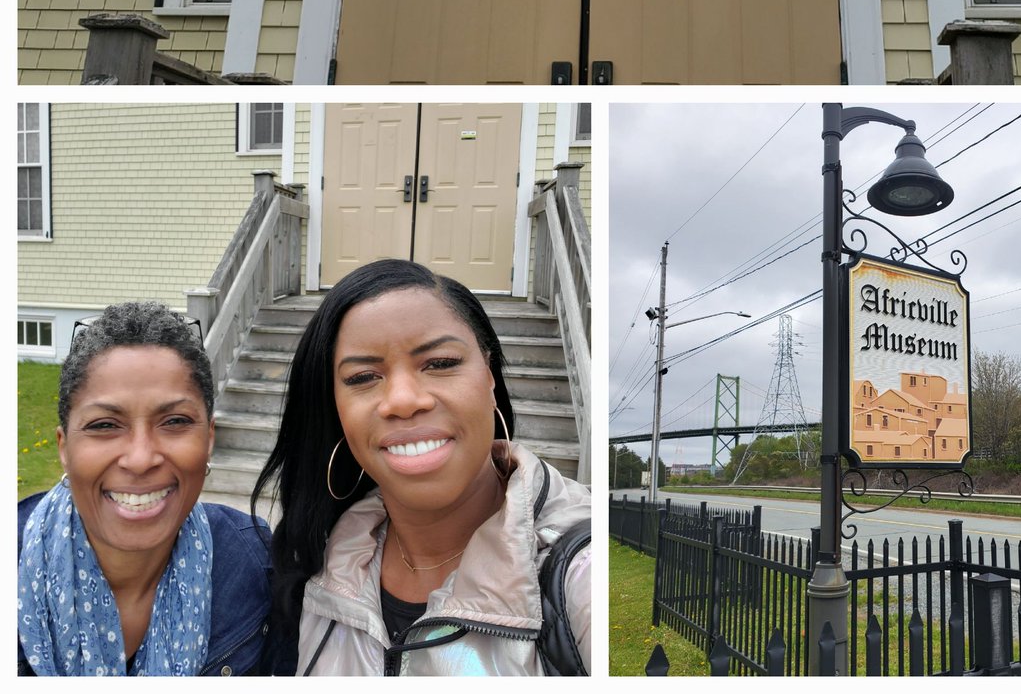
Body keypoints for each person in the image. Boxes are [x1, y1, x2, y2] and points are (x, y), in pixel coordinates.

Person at [252, 258, 591, 676]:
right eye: (362, 377)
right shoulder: (322, 559)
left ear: (489, 376)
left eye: (441, 363)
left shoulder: (581, 572)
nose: (403, 399)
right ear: (335, 409)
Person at [16, 301, 272, 676]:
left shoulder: (253, 559)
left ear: (209, 439)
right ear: (64, 448)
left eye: (175, 421)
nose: (140, 459)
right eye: (104, 425)